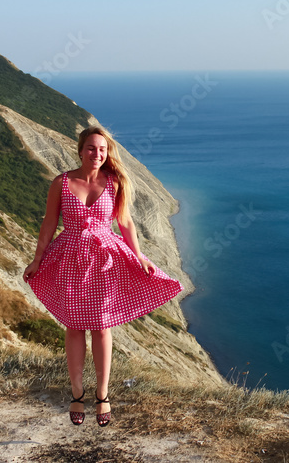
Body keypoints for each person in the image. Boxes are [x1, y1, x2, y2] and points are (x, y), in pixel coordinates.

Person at [23, 126, 183, 426]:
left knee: (100, 326)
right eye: (92, 148)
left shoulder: (115, 182)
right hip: (69, 258)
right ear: (80, 150)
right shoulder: (61, 182)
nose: (97, 154)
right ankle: (76, 393)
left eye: (103, 149)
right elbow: (48, 223)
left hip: (105, 261)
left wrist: (140, 257)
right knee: (73, 326)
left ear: (107, 153)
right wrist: (37, 259)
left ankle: (103, 395)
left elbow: (125, 223)